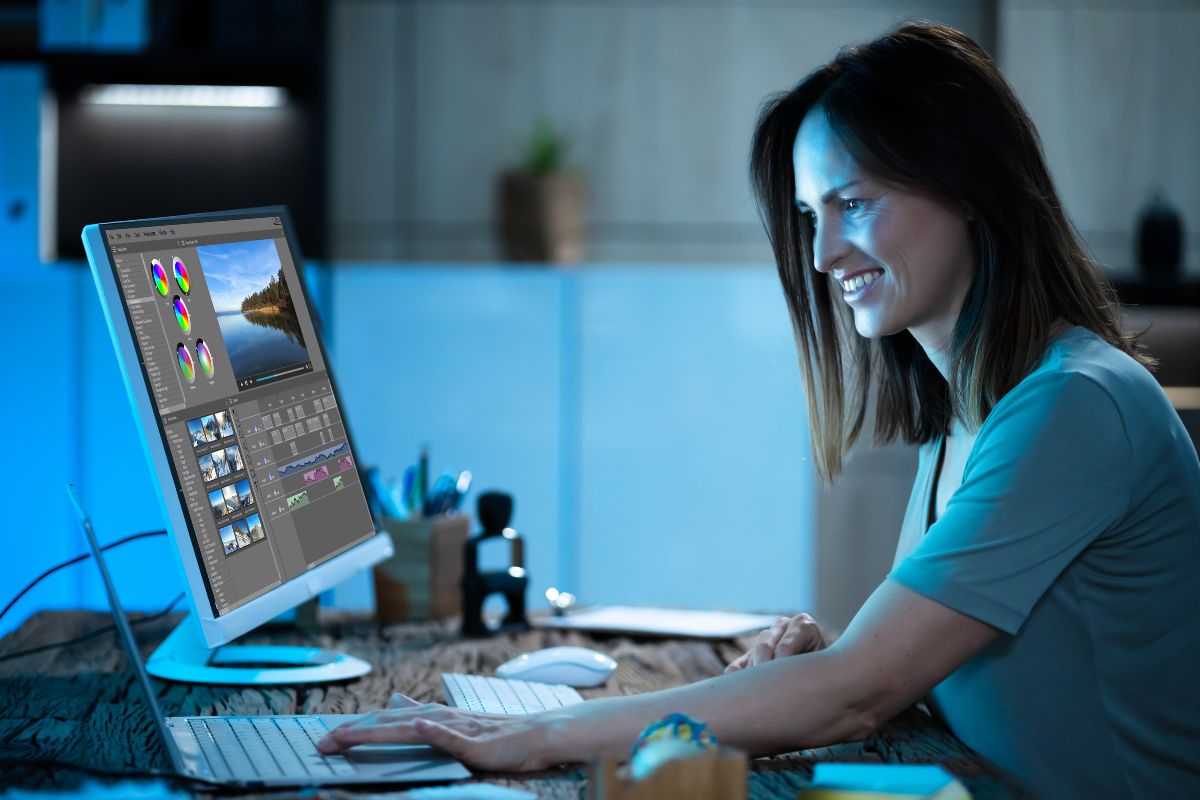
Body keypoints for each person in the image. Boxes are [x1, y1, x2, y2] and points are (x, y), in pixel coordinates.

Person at [317, 22, 1200, 797]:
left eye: (854, 203)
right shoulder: (970, 410)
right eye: (812, 213)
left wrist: (530, 738)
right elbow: (932, 674)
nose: (821, 252)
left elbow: (862, 692)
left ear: (970, 188)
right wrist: (845, 656)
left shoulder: (1073, 406)